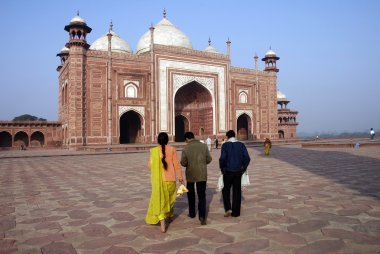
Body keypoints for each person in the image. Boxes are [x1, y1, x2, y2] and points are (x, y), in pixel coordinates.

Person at [146, 132, 184, 233]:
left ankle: (162, 223)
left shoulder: (154, 151)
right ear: (167, 140)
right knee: (170, 199)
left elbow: (149, 167)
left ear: (158, 140)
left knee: (160, 200)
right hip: (170, 179)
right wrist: (180, 177)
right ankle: (170, 215)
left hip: (159, 181)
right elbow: (177, 165)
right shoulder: (172, 149)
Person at [181, 131, 212, 225]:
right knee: (202, 195)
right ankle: (202, 216)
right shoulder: (203, 146)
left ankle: (192, 213)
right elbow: (209, 159)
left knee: (191, 195)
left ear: (187, 139)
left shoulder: (186, 148)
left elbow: (183, 163)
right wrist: (202, 164)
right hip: (202, 174)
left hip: (190, 174)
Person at [219, 130, 250, 217]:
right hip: (238, 171)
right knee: (237, 191)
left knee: (225, 190)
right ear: (234, 136)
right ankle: (236, 213)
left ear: (227, 137)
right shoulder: (241, 145)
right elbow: (247, 158)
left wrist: (222, 168)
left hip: (228, 171)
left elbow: (222, 159)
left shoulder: (225, 145)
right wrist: (243, 168)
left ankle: (228, 208)